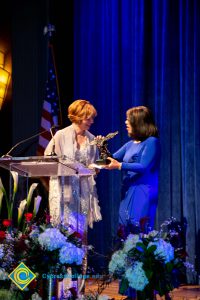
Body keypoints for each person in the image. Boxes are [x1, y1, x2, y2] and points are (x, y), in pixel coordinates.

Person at [44, 99, 102, 232]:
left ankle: (83, 253)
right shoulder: (61, 135)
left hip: (83, 189)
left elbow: (95, 163)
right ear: (78, 117)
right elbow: (48, 160)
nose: (92, 122)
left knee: (81, 230)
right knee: (64, 228)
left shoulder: (91, 139)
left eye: (92, 118)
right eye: (88, 118)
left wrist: (95, 167)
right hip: (64, 188)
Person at [105, 105, 161, 231]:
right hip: (128, 190)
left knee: (139, 228)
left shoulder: (152, 142)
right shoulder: (130, 144)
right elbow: (110, 158)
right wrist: (101, 146)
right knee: (124, 228)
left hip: (143, 191)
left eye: (128, 119)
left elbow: (143, 167)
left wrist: (119, 165)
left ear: (138, 122)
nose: (125, 122)